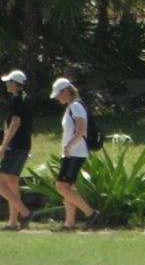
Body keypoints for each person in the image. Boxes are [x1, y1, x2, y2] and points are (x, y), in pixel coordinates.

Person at [50, 77, 99, 232]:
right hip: (72, 152)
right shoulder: (72, 106)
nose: (57, 97)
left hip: (75, 152)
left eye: (59, 94)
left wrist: (69, 145)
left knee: (61, 186)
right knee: (68, 188)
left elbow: (81, 129)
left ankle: (90, 213)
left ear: (66, 91)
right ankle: (69, 224)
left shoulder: (76, 107)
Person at [0, 70, 34, 231]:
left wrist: (4, 145)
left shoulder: (17, 99)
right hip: (24, 145)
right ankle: (12, 222)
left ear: (14, 83)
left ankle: (25, 213)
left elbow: (15, 123)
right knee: (12, 183)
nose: (6, 84)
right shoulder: (26, 98)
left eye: (8, 81)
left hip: (15, 146)